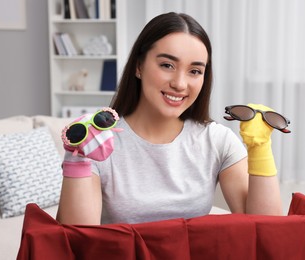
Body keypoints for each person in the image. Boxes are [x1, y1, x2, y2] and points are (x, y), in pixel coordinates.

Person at [57, 12, 283, 225]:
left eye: (194, 71)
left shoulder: (216, 140)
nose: (180, 83)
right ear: (138, 66)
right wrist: (78, 158)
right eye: (167, 65)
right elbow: (76, 239)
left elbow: (266, 228)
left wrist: (260, 149)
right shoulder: (98, 141)